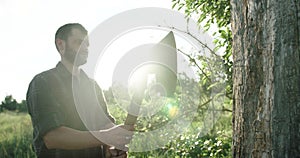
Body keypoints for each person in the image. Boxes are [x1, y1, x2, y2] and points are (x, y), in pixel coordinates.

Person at [26, 23, 133, 158]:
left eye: (87, 44)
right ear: (61, 45)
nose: (85, 48)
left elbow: (105, 123)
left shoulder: (93, 86)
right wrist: (107, 137)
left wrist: (110, 147)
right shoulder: (43, 82)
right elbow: (53, 137)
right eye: (78, 42)